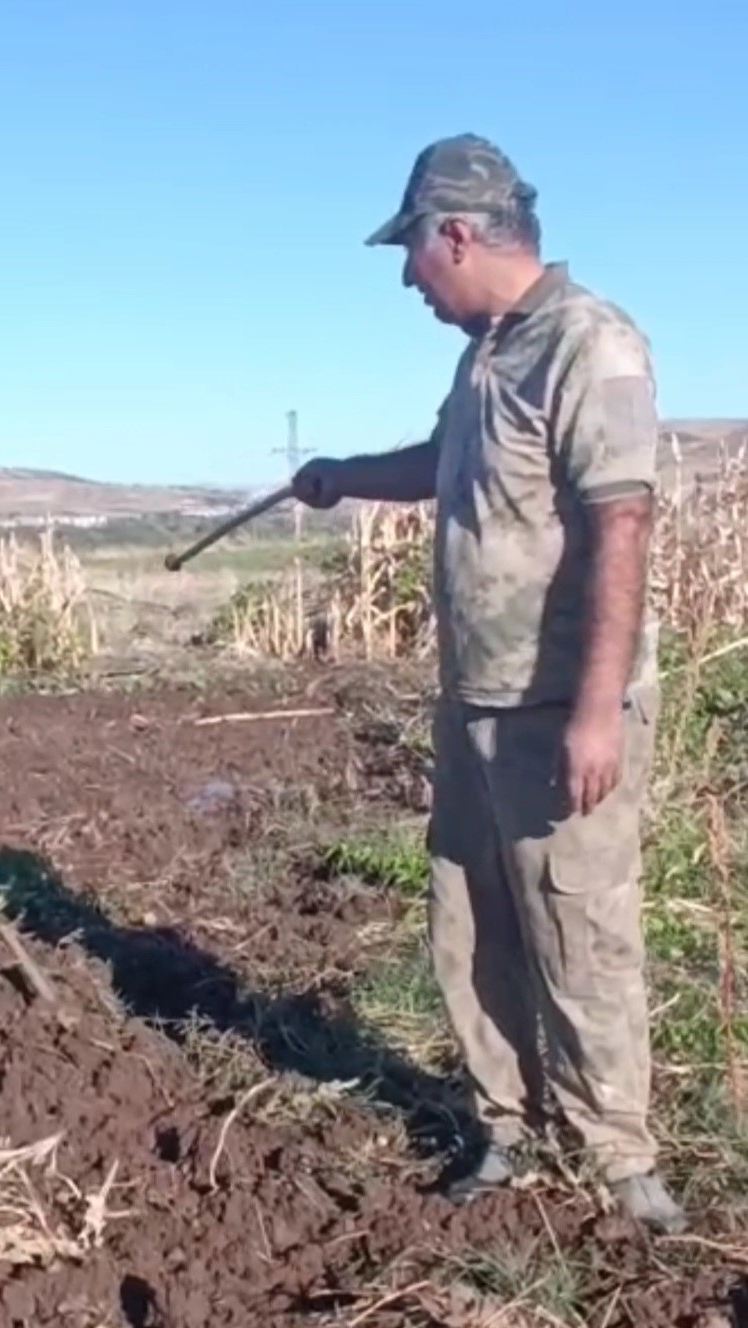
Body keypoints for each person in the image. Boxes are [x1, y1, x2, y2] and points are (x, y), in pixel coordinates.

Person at [293, 133, 686, 1235]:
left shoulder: (587, 343)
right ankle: (503, 1124)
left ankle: (619, 1158)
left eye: (411, 252)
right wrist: (340, 479)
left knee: (581, 922)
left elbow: (622, 524)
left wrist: (599, 707)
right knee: (472, 922)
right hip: (477, 698)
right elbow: (439, 463)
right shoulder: (486, 352)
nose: (409, 278)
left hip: (563, 705)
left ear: (456, 234)